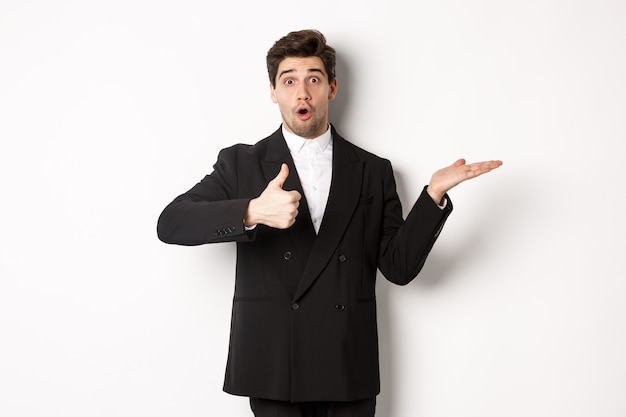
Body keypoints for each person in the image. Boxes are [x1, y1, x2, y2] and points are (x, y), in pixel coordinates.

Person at [157, 29, 502, 417]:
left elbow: (399, 268)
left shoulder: (373, 171)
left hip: (346, 364)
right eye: (289, 80)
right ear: (273, 91)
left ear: (331, 88)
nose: (301, 92)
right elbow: (171, 223)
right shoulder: (241, 164)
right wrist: (251, 211)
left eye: (313, 79)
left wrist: (433, 197)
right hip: (275, 365)